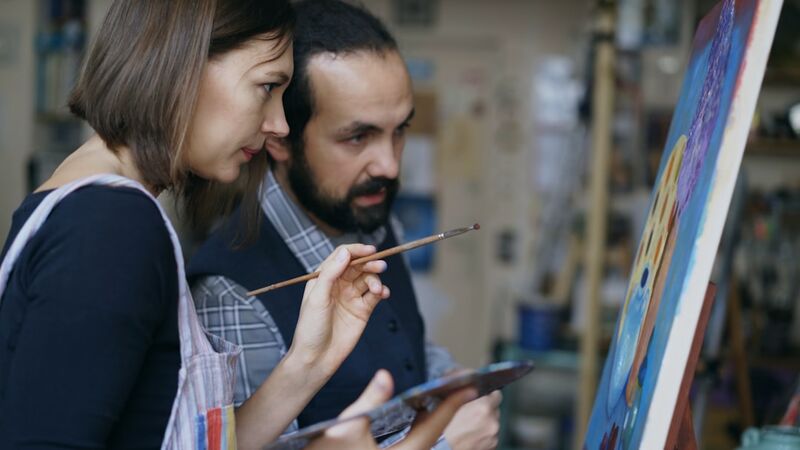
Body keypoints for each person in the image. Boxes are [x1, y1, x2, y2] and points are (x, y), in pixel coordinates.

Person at [0, 1, 474, 449]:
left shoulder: (89, 208)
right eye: (268, 87)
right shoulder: (111, 226)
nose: (279, 126)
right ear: (180, 67)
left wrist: (308, 362)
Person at [188, 1, 501, 448]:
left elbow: (406, 347)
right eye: (358, 137)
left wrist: (450, 381)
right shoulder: (229, 290)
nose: (390, 166)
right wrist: (443, 443)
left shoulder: (365, 213)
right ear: (281, 138)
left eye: (400, 130)